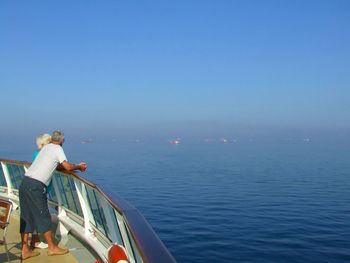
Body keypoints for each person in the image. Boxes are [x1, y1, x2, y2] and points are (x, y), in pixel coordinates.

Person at [19, 130, 87, 260]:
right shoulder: (57, 148)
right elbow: (67, 166)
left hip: (25, 183)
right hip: (36, 187)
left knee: (26, 216)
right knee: (43, 216)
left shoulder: (46, 148)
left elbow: (55, 165)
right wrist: (79, 166)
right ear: (62, 141)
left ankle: (25, 250)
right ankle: (52, 247)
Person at [30, 133, 52, 250]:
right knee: (42, 216)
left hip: (36, 188)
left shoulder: (36, 154)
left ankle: (35, 241)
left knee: (35, 215)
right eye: (49, 144)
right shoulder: (42, 156)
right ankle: (41, 243)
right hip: (39, 189)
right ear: (43, 145)